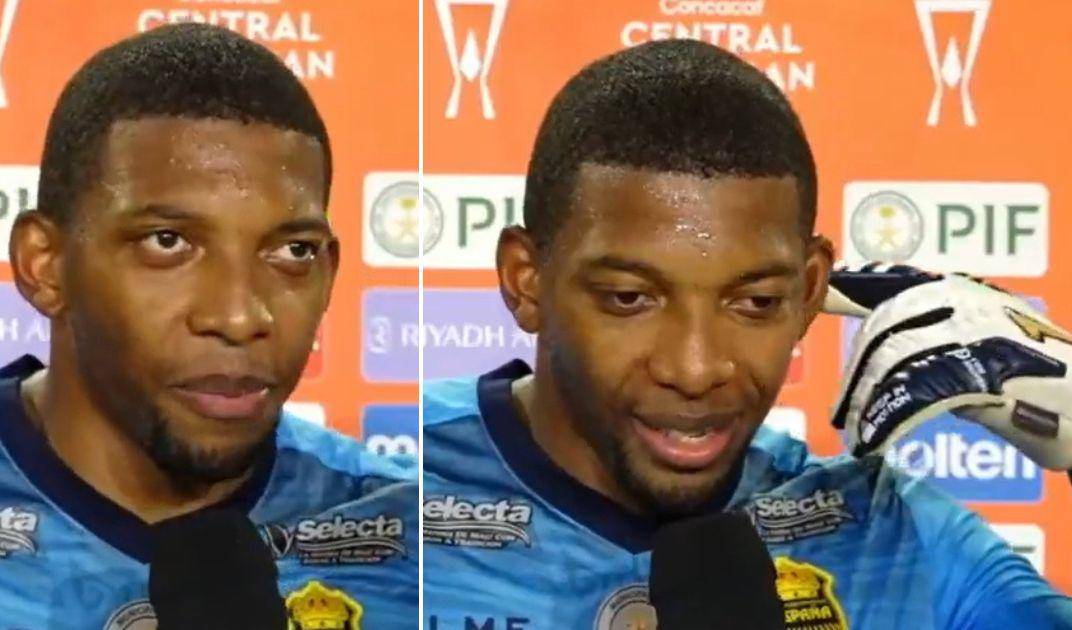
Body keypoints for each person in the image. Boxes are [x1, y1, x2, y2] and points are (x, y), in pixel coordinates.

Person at [421, 39, 1072, 629]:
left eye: (755, 302)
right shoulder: (388, 507)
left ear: (809, 290)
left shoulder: (889, 532)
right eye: (630, 298)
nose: (696, 369)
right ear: (527, 280)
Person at [0, 24, 416, 629]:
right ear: (44, 265)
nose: (239, 317)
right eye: (168, 242)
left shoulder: (410, 536)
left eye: (293, 252)